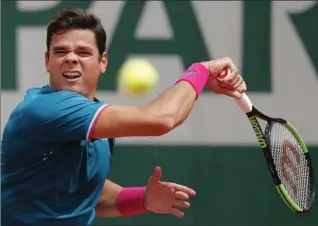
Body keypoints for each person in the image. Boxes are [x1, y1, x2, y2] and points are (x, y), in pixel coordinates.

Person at [1, 8, 246, 226]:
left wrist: (143, 199)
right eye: (61, 51)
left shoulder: (97, 124)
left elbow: (90, 195)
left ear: (103, 62)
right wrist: (201, 71)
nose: (71, 58)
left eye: (83, 52)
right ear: (47, 61)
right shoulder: (43, 109)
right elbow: (162, 118)